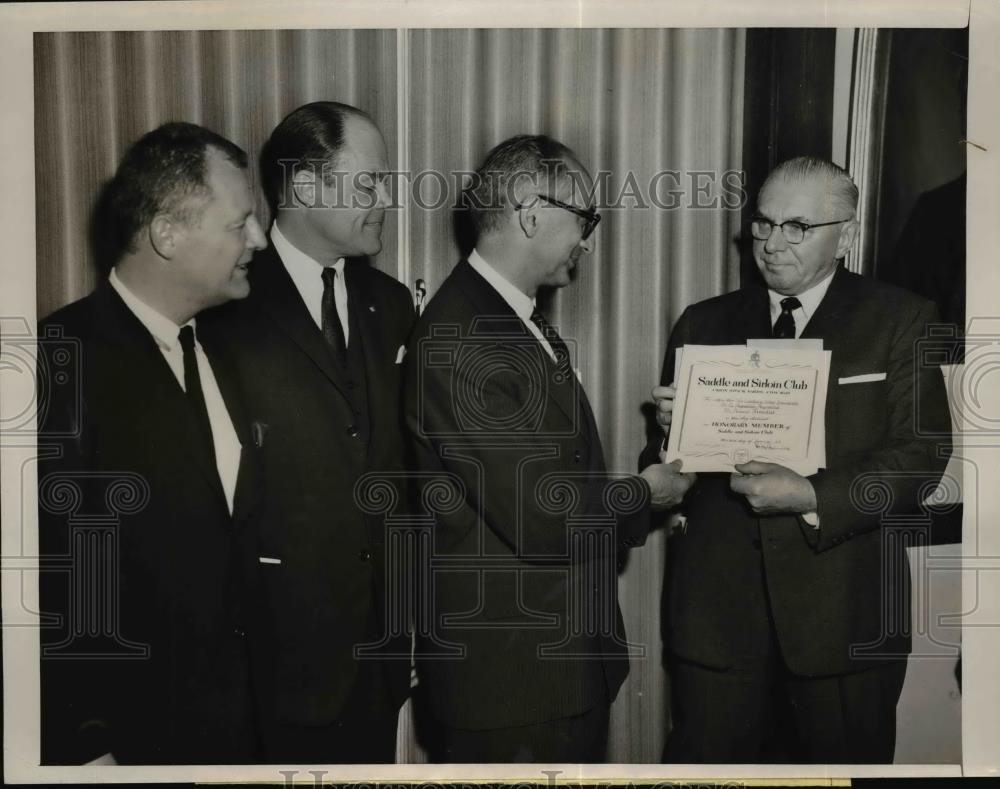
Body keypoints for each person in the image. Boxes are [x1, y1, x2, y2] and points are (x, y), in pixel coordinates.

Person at [646, 156, 952, 763]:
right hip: (719, 627)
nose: (772, 244)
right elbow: (667, 470)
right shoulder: (701, 323)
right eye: (763, 224)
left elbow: (922, 459)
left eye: (797, 227)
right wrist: (668, 436)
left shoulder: (901, 318)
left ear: (848, 233)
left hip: (843, 624)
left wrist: (813, 496)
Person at [404, 134, 695, 763]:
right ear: (531, 214)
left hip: (553, 664)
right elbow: (543, 516)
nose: (588, 239)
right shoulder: (463, 337)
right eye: (585, 219)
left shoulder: (512, 318)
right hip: (514, 681)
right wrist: (646, 492)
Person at [38, 122, 268, 764]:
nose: (258, 240)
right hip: (134, 744)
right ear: (168, 234)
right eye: (238, 224)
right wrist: (85, 743)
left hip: (243, 732)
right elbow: (51, 577)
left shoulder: (227, 344)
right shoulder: (59, 361)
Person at [202, 102, 414, 763]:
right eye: (368, 183)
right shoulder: (223, 306)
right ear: (301, 188)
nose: (385, 200)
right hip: (271, 664)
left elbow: (402, 476)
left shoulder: (393, 305)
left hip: (377, 660)